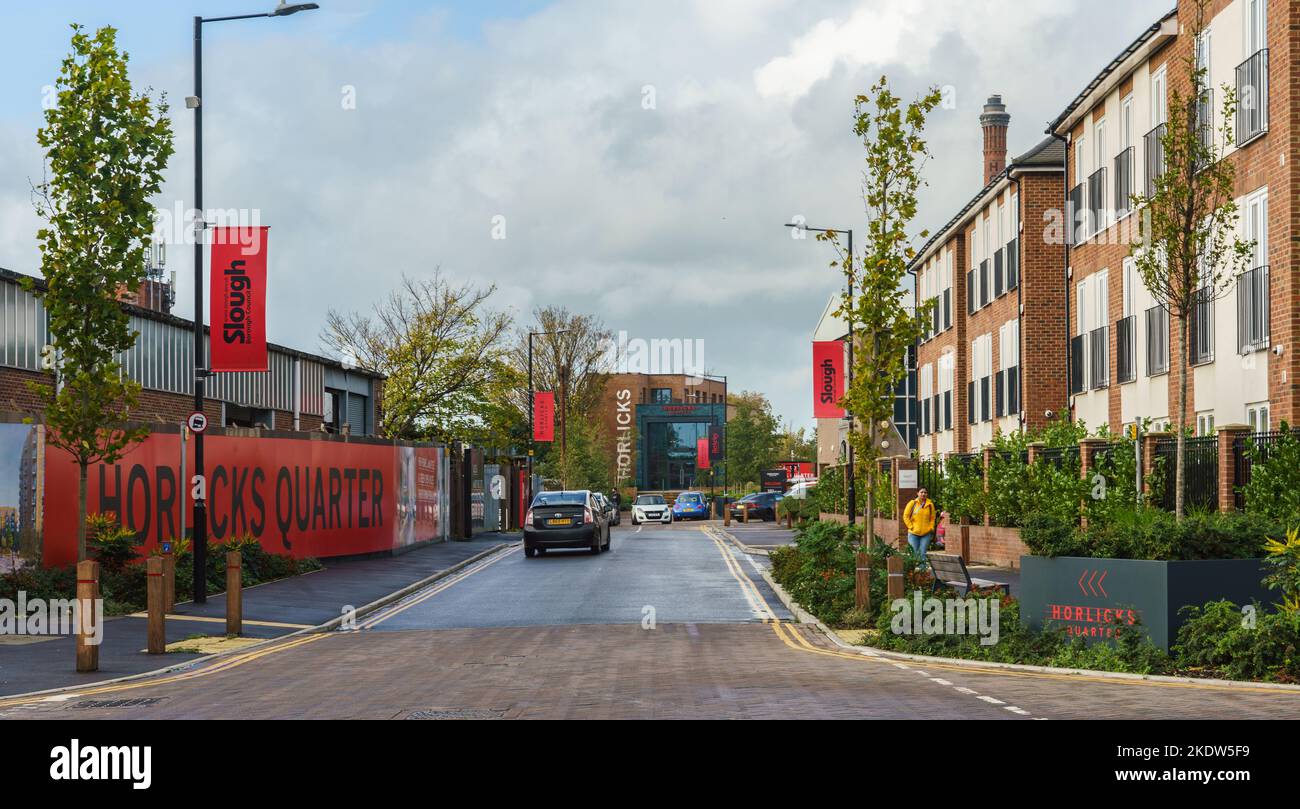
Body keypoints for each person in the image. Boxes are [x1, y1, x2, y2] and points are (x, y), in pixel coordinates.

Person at [902, 488, 938, 566]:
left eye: (925, 492)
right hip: (913, 533)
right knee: (914, 553)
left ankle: (922, 573)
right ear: (917, 493)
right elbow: (905, 516)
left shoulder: (930, 505)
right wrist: (910, 526)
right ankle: (912, 572)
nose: (923, 494)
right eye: (921, 492)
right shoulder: (912, 503)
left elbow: (932, 518)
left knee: (922, 553)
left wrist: (931, 527)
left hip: (926, 533)